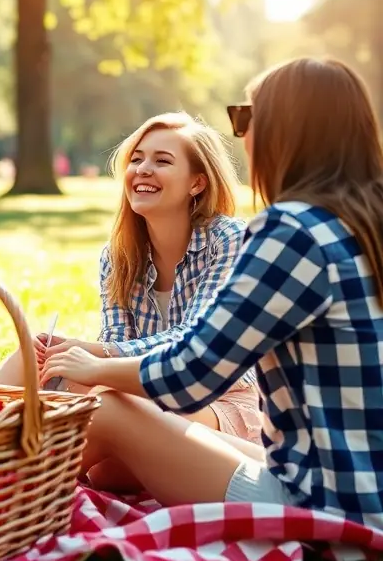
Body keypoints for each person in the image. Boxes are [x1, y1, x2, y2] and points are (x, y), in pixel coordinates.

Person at [41, 56, 383, 531]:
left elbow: (194, 375)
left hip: (320, 503)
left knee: (107, 408)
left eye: (246, 116)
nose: (242, 134)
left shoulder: (291, 232)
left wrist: (94, 367)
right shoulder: (363, 225)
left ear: (288, 130)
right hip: (359, 488)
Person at [0, 114, 261, 490]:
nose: (143, 170)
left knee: (104, 444)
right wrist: (82, 358)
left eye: (162, 161)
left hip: (217, 400)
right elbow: (116, 341)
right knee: (31, 352)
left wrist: (98, 354)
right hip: (138, 391)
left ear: (197, 182)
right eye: (136, 159)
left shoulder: (230, 239)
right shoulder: (118, 256)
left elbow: (195, 341)